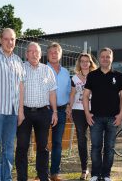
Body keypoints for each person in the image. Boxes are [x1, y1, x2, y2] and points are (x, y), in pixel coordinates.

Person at [0, 28, 25, 181]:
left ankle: (6, 178)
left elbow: (21, 87)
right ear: (0, 40)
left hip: (13, 112)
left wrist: (21, 111)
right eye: (6, 39)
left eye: (12, 39)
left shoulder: (18, 60)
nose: (10, 42)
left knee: (9, 148)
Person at [83, 47, 122, 181]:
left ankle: (106, 174)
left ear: (112, 58)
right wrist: (87, 114)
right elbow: (85, 96)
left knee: (110, 148)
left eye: (108, 56)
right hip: (95, 117)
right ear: (99, 58)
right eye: (102, 56)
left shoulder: (119, 76)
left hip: (113, 118)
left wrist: (121, 115)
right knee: (96, 147)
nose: (105, 59)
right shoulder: (92, 75)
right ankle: (95, 174)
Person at [15, 42, 58, 181]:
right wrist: (19, 111)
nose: (34, 54)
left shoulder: (47, 70)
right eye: (31, 51)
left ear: (40, 54)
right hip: (24, 112)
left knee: (43, 147)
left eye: (37, 52)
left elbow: (52, 93)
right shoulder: (20, 68)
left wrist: (55, 112)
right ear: (26, 54)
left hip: (43, 113)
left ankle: (43, 177)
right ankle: (22, 178)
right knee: (22, 146)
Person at [67, 53, 97, 180]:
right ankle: (84, 169)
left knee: (96, 140)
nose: (85, 63)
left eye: (87, 61)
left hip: (94, 110)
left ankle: (96, 169)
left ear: (90, 63)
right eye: (82, 61)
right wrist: (69, 107)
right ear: (79, 63)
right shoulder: (74, 78)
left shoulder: (96, 76)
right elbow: (73, 94)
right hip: (78, 110)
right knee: (81, 140)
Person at [47, 42, 71, 181]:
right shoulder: (43, 69)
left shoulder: (66, 72)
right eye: (51, 52)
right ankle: (42, 172)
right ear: (47, 55)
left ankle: (54, 173)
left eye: (56, 52)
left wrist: (68, 105)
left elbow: (69, 92)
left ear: (60, 54)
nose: (54, 54)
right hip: (44, 111)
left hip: (61, 112)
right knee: (42, 142)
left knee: (57, 143)